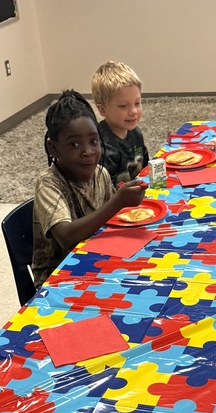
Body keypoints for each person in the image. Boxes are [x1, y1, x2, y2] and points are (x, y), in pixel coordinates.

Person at [32, 90, 146, 288]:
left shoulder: (100, 174)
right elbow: (66, 237)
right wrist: (118, 201)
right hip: (59, 279)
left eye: (93, 141)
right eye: (74, 144)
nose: (88, 152)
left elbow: (114, 221)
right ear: (53, 148)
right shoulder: (49, 183)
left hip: (97, 260)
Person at [91, 61, 150, 184]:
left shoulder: (136, 133)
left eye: (137, 103)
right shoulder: (103, 148)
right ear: (102, 109)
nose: (133, 111)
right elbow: (106, 193)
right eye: (123, 106)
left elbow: (146, 168)